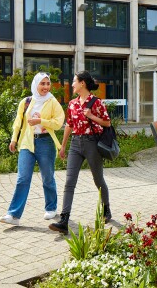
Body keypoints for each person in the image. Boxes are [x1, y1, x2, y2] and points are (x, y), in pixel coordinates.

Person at [49, 71, 112, 234]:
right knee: (69, 182)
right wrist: (63, 146)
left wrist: (91, 116)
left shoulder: (97, 103)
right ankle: (64, 220)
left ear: (82, 83)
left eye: (74, 81)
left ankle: (107, 209)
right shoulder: (72, 104)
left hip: (92, 143)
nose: (72, 84)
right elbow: (69, 125)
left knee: (98, 180)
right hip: (76, 144)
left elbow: (107, 122)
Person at [0, 72, 65, 226]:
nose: (46, 87)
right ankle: (13, 215)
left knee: (47, 178)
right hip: (27, 143)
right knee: (22, 178)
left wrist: (41, 121)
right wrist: (14, 139)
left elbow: (58, 122)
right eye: (42, 84)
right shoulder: (26, 102)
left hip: (46, 143)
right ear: (36, 84)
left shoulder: (52, 102)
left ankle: (51, 207)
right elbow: (18, 122)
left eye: (47, 84)